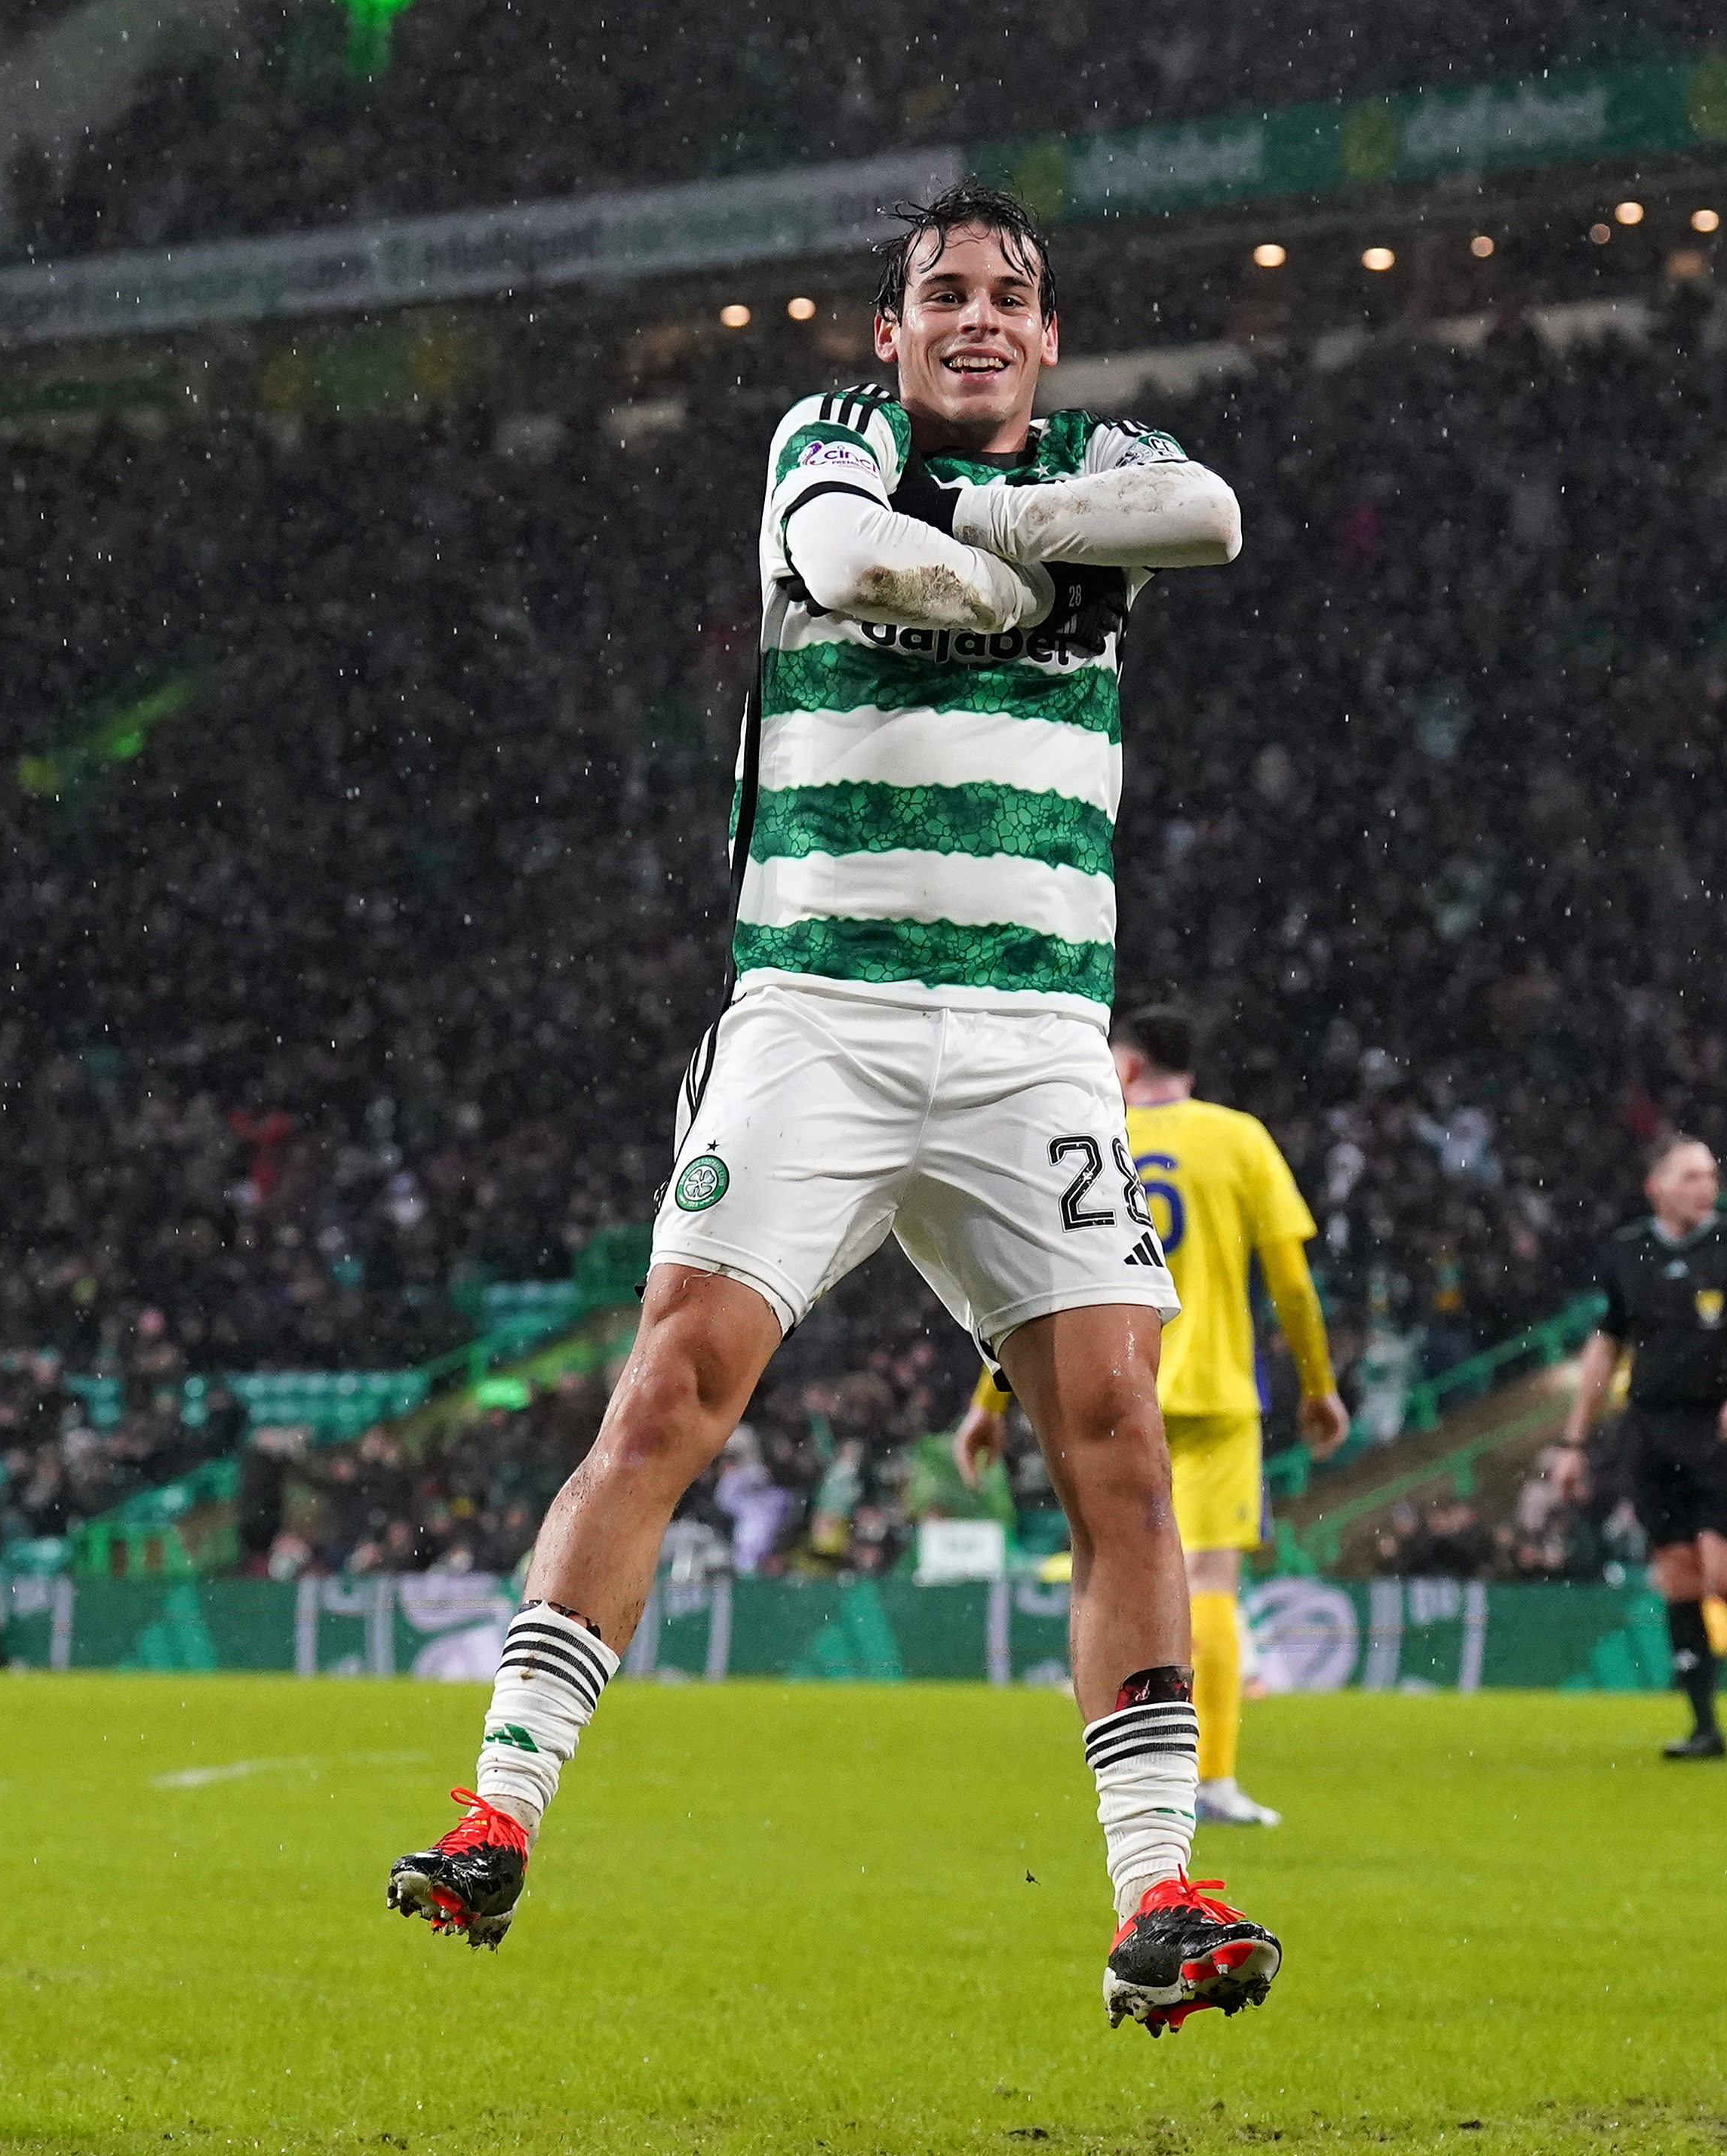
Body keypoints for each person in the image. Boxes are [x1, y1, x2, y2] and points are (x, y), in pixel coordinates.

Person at [384, 183, 1281, 2041]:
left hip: (1039, 1030)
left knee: (1116, 1437)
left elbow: (1210, 518)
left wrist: (977, 518)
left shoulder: (1118, 456)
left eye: (1006, 298)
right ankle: (497, 1811)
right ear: (890, 333)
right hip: (822, 1011)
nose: (971, 317)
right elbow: (857, 567)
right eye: (939, 294)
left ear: (1047, 339)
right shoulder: (820, 438)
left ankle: (1156, 1899)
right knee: (670, 1389)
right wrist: (1030, 555)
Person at [952, 1001, 1350, 1828]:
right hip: (1216, 1394)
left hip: (1113, 1384)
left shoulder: (1098, 1135)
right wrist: (1317, 1384)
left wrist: (987, 1401)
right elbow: (1292, 1285)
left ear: (1125, 1067)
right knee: (1208, 1582)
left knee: (1110, 1565)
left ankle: (1122, 1776)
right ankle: (1212, 1779)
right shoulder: (1240, 1139)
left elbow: (1034, 1281)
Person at [1558, 1136, 1727, 1758]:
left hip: (1718, 1426)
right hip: (1652, 1429)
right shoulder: (1627, 1253)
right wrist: (1574, 1440)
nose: (1705, 1186)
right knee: (1678, 1576)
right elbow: (1605, 1347)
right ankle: (1704, 1725)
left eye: (1710, 1175)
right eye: (1690, 1176)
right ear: (1656, 1186)